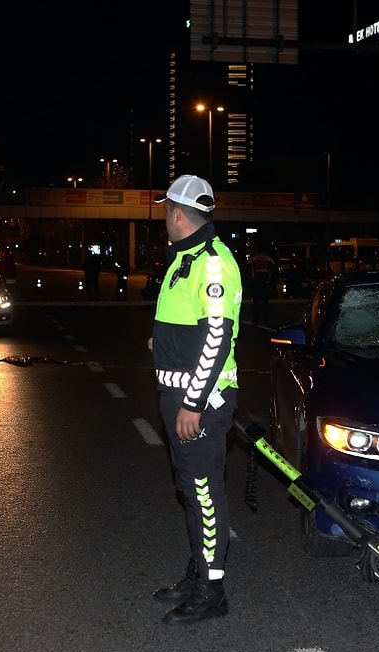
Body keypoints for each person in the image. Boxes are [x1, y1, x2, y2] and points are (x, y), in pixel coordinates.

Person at [148, 174, 242, 626]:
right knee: (190, 490)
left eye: (166, 210)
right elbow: (190, 326)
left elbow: (216, 339)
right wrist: (162, 346)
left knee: (204, 494)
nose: (165, 217)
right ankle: (198, 573)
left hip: (198, 400)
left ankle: (212, 592)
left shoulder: (209, 263)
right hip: (180, 393)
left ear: (178, 214)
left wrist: (193, 402)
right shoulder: (185, 258)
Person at [246, 239, 276, 325]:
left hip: (256, 282)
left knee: (256, 302)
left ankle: (256, 319)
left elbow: (248, 270)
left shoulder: (253, 259)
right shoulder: (269, 259)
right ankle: (264, 319)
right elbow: (273, 270)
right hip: (266, 282)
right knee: (264, 302)